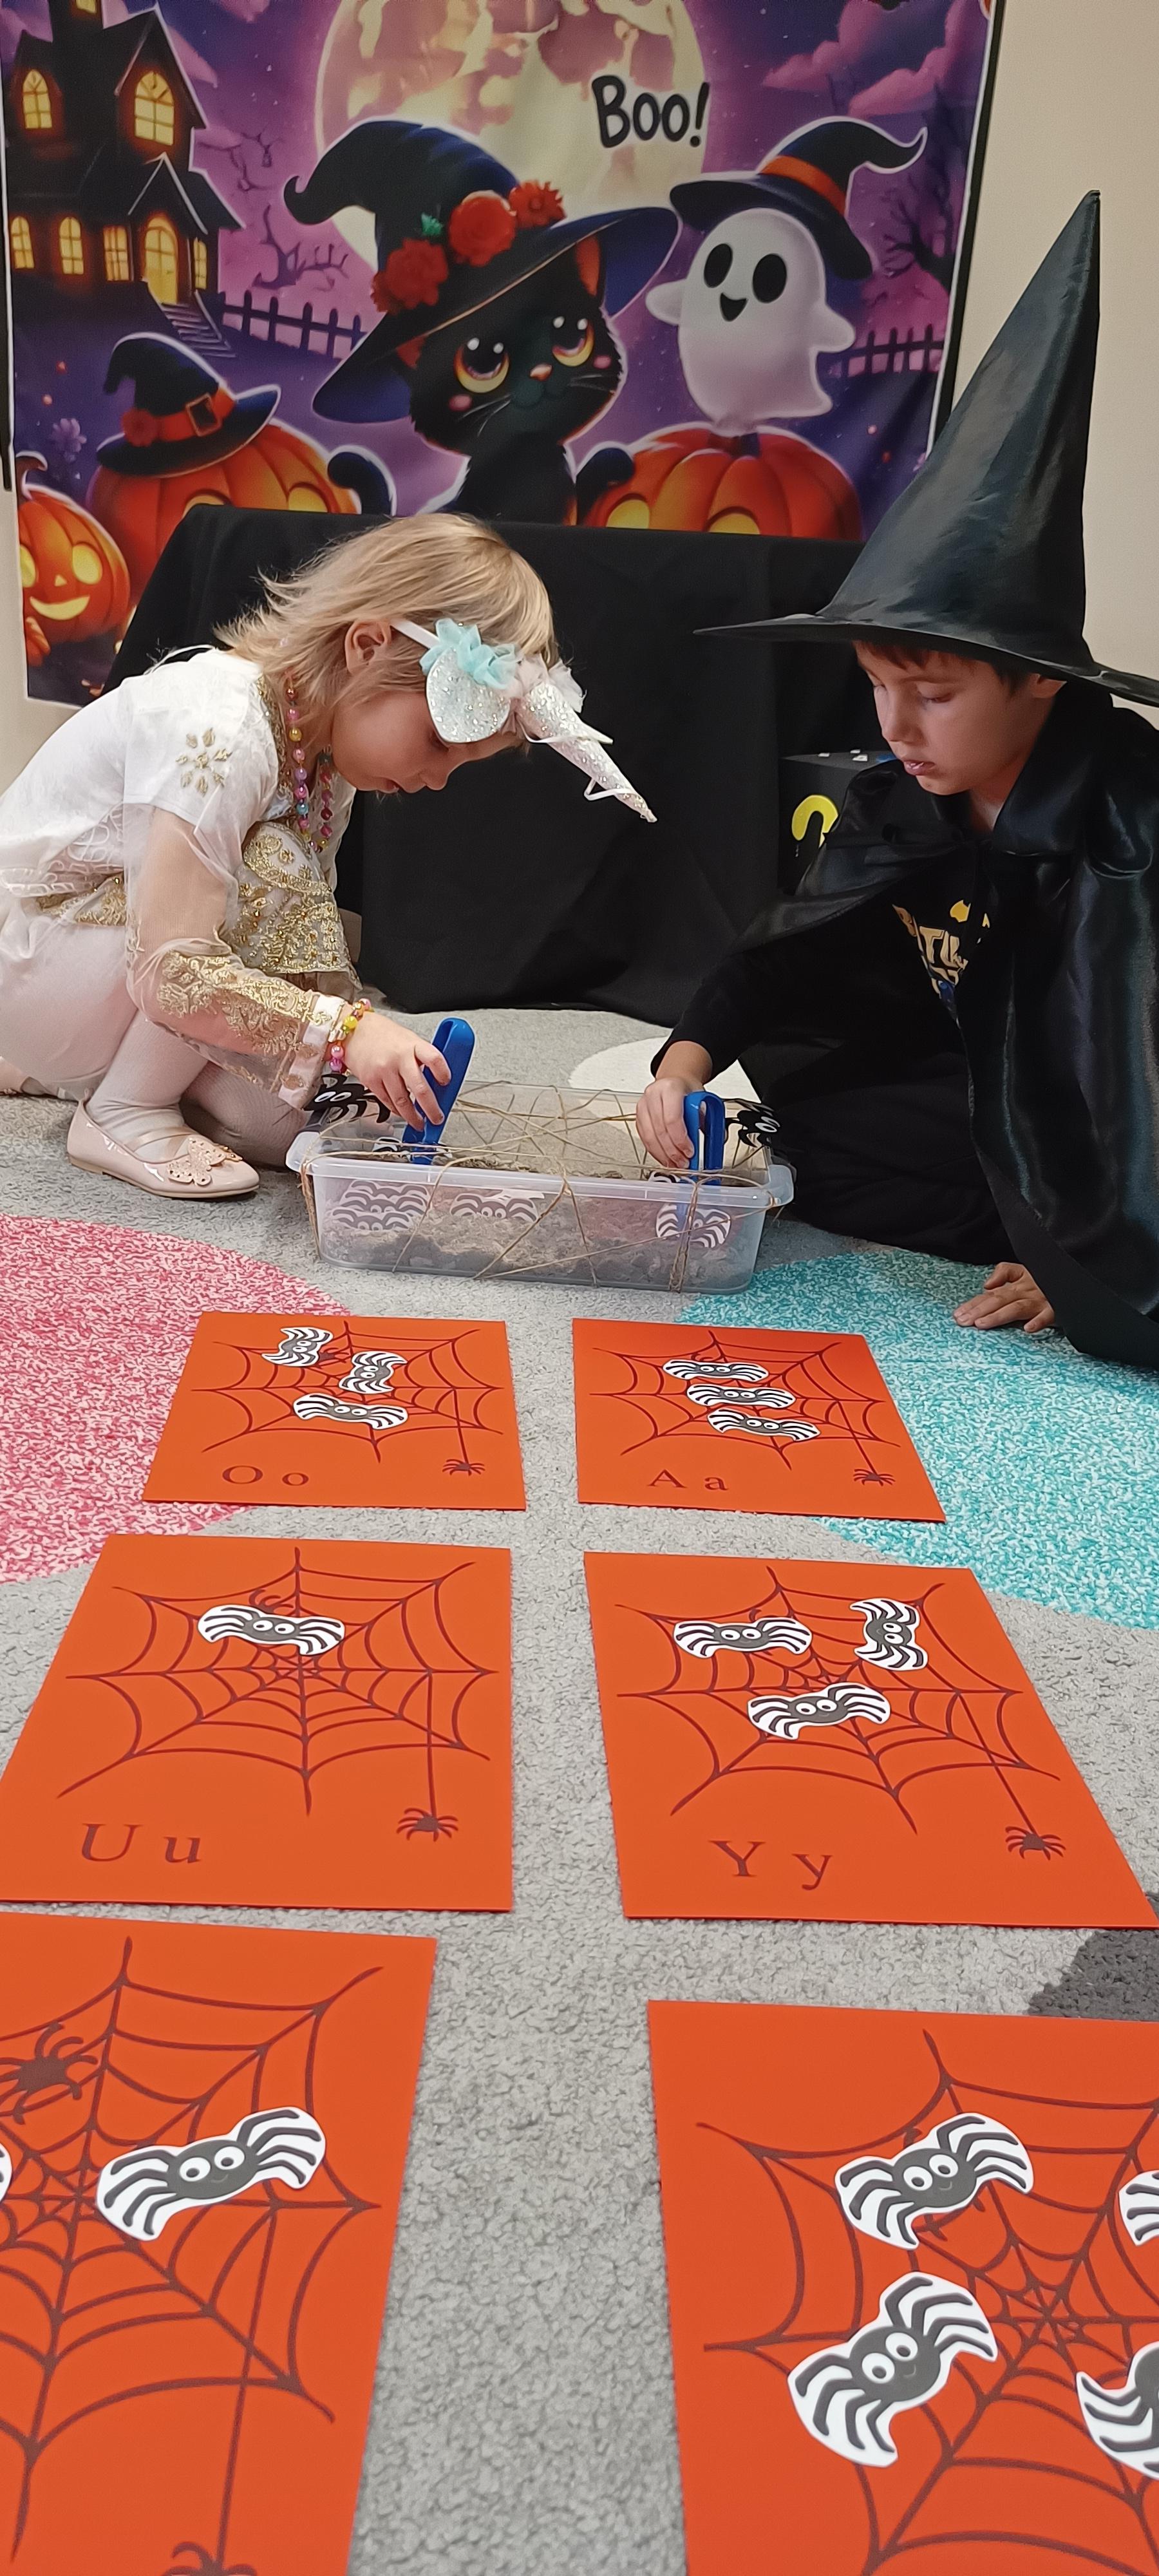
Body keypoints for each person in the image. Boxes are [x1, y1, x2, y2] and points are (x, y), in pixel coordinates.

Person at [637, 196, 1159, 1370]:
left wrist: (1094, 1252)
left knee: (1092, 1258)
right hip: (985, 1093)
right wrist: (683, 1060)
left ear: (1039, 680)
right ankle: (1023, 1217)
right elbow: (792, 949)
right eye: (876, 685)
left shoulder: (1132, 822)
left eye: (932, 692)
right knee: (807, 1134)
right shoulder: (906, 792)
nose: (897, 726)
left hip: (1114, 1123)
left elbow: (1137, 1073)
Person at [0, 513, 651, 1197]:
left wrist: (332, 1061)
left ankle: (91, 1074)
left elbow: (295, 947)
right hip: (40, 964)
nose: (437, 780)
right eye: (438, 742)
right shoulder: (221, 727)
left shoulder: (321, 760)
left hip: (98, 979)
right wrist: (346, 1032)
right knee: (271, 864)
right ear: (365, 646)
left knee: (292, 1123)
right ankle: (123, 1107)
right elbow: (172, 970)